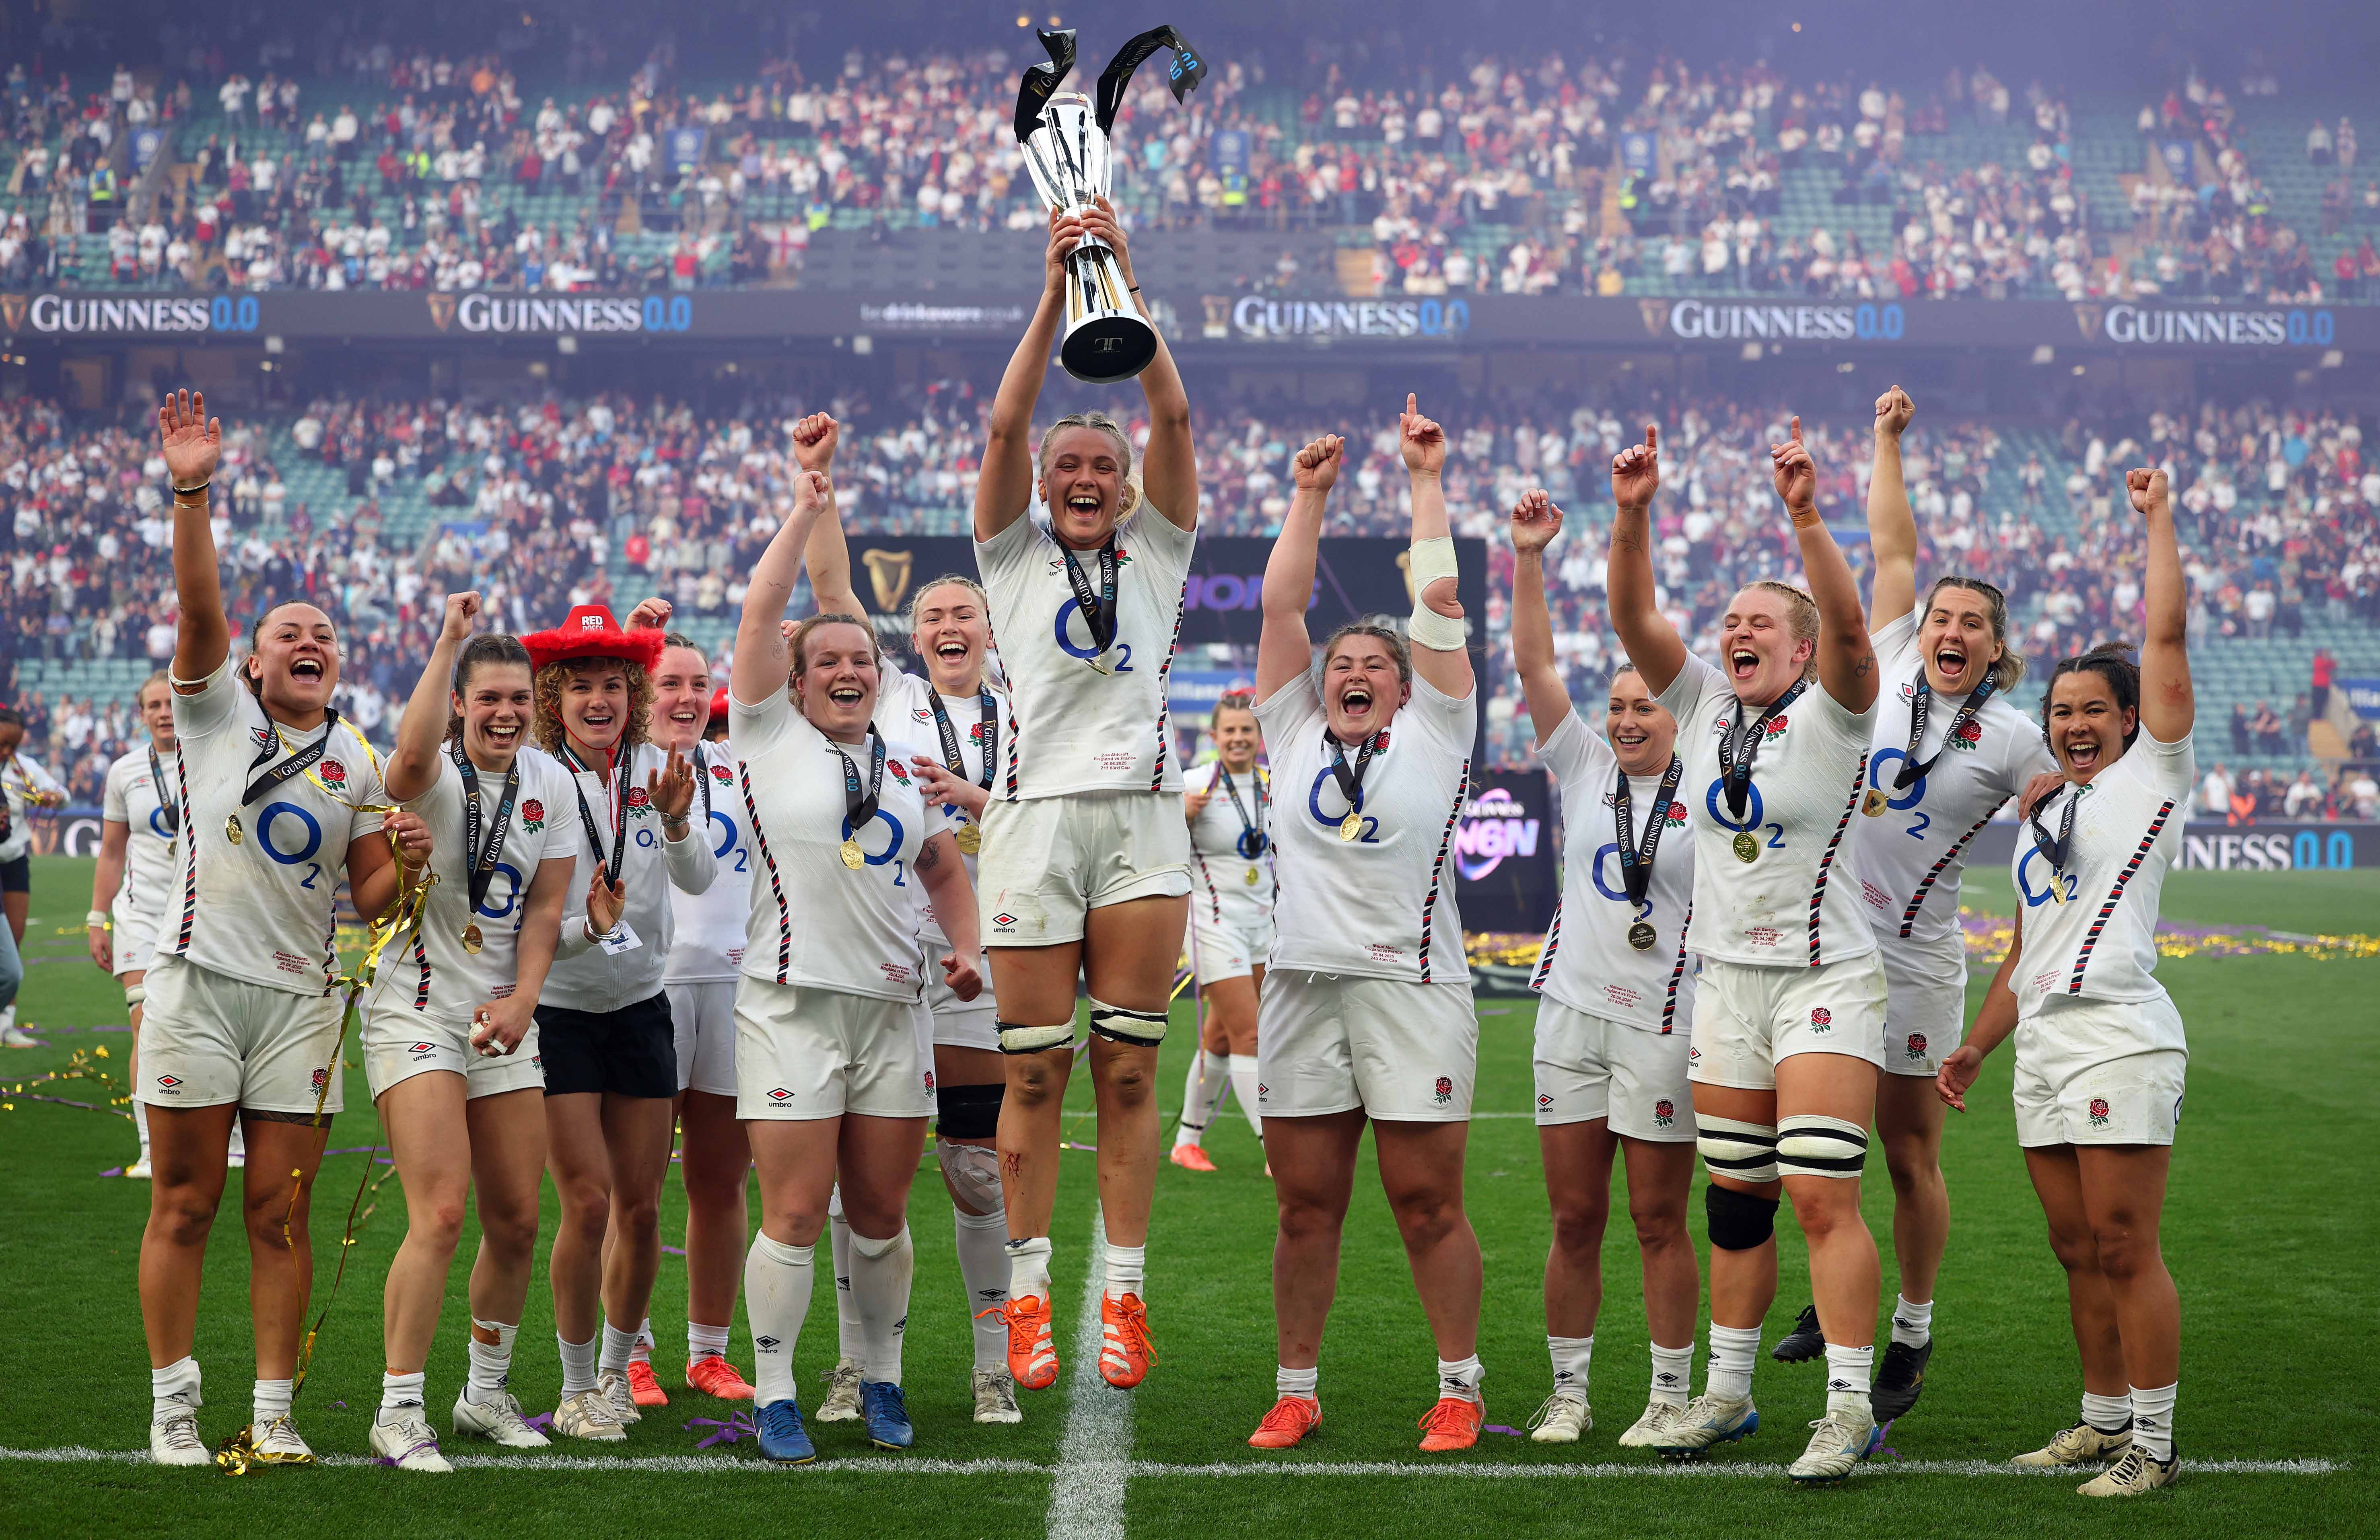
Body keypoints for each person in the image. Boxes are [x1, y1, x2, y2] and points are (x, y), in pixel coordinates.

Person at [137, 390, 433, 1467]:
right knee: (184, 1202)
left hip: (303, 1002)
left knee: (280, 1214)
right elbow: (200, 607)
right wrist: (191, 491)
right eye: (288, 633)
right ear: (254, 663)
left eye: (324, 635)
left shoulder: (355, 756)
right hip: (199, 982)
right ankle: (174, 1406)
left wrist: (403, 868)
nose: (310, 641)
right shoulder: (216, 707)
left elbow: (368, 899)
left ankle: (272, 1412)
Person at [1604, 418, 1890, 1483]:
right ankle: (1724, 1395)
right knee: (1734, 1200)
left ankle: (1847, 1404)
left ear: (1800, 649)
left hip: (1823, 977)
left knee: (1821, 1194)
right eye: (1730, 620)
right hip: (1725, 981)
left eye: (1761, 621)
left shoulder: (1832, 714)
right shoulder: (1703, 705)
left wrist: (1807, 516)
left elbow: (1858, 637)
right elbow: (1632, 612)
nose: (1737, 631)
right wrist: (1632, 511)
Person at [1766, 387, 2055, 1424]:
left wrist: (2062, 791)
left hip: (1920, 963)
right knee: (1806, 1144)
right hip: (1823, 943)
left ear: (1994, 648)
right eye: (1942, 616)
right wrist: (1885, 440)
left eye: (1973, 624)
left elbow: (2078, 786)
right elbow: (1892, 545)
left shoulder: (2019, 736)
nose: (1951, 630)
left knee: (1906, 1154)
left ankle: (1912, 1329)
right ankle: (1828, 1293)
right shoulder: (1881, 657)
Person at [972, 197, 1198, 1394]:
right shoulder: (1006, 554)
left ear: (1125, 487)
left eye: (1102, 467)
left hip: (1142, 820)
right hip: (1031, 821)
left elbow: (1169, 406)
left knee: (1124, 1070)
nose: (1083, 476)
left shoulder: (1158, 551)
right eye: (1069, 464)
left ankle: (1122, 1297)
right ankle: (1025, 1297)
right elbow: (1008, 415)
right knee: (1033, 1072)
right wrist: (1056, 289)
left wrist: (1123, 283)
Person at [1939, 467, 2196, 1499]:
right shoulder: (2041, 813)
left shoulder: (2152, 778)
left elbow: (2168, 639)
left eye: (2095, 709)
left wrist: (2157, 521)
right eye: (2060, 711)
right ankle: (2100, 1421)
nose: (2075, 724)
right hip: (2042, 1042)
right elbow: (2022, 955)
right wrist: (1974, 1042)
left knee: (2128, 1242)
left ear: (2133, 718)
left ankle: (2156, 1442)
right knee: (2075, 1245)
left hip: (2122, 1035)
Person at [727, 470, 984, 1462]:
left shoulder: (904, 771)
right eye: (826, 658)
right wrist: (802, 506)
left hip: (893, 1012)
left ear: (879, 678)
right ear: (794, 682)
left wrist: (965, 951)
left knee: (879, 1214)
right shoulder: (766, 736)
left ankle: (880, 1378)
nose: (848, 669)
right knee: (794, 1213)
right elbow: (761, 612)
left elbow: (945, 870)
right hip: (789, 1009)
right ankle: (778, 1391)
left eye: (862, 660)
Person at [1242, 407, 1484, 1455]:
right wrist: (1310, 496)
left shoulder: (1436, 731)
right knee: (1304, 1207)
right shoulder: (1291, 727)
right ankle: (1296, 1387)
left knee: (1425, 1201)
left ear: (1401, 683)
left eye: (1371, 664)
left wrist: (1423, 478)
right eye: (1337, 660)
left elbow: (1434, 610)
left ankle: (1459, 1386)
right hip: (1300, 988)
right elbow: (1280, 602)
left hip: (1411, 989)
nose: (1349, 670)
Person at [795, 411, 1024, 1426]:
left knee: (978, 1173)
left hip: (984, 957)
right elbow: (833, 595)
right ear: (915, 635)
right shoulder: (883, 700)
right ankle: (857, 1365)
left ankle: (992, 1364)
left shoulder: (1028, 718)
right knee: (859, 1184)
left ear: (988, 631)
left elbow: (1061, 821)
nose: (947, 626)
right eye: (932, 614)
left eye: (963, 613)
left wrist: (981, 804)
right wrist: (822, 486)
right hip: (887, 955)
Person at [364, 594, 584, 1469]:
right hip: (415, 1007)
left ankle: (483, 1392)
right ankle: (399, 1407)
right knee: (443, 1212)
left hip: (503, 1015)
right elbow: (406, 759)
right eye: (487, 698)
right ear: (460, 701)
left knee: (521, 1218)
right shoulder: (438, 771)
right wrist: (447, 640)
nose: (504, 714)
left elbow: (548, 909)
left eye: (518, 701)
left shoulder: (553, 783)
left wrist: (528, 996)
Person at [1505, 489, 1702, 1450]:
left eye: (1645, 706)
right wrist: (1530, 556)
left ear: (1677, 716)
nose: (1627, 720)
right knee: (1574, 1217)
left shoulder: (1710, 788)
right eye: (1618, 706)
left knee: (1658, 1219)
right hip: (1571, 1016)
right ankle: (1572, 1391)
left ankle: (1669, 1395)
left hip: (1667, 1023)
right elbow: (1535, 662)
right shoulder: (1583, 766)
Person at [521, 599, 712, 1439]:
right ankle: (571, 1387)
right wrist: (584, 931)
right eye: (580, 686)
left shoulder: (656, 765)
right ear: (551, 696)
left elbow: (699, 879)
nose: (598, 700)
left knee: (642, 1210)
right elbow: (516, 927)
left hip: (642, 1007)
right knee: (589, 1204)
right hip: (559, 1014)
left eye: (612, 684)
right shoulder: (529, 776)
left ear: (633, 694)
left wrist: (674, 819)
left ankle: (614, 1378)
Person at [641, 618, 759, 1405]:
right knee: (637, 1186)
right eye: (669, 683)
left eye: (696, 682)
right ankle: (630, 1350)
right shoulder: (611, 771)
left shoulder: (741, 766)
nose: (687, 698)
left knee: (721, 1182)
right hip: (646, 989)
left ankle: (708, 1353)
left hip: (734, 987)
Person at [90, 674, 239, 1177]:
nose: (160, 712)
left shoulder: (215, 758)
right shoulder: (124, 771)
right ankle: (151, 1148)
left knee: (215, 1024)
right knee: (147, 1028)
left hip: (204, 913)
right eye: (151, 705)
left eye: (167, 703)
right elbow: (112, 852)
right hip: (143, 915)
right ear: (142, 714)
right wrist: (97, 917)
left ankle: (233, 1142)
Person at [1169, 690, 1274, 1173]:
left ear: (1259, 736)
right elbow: (1150, 838)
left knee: (1221, 1037)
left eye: (1246, 730)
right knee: (1250, 1032)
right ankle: (1277, 1148)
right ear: (1214, 737)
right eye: (1229, 731)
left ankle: (1187, 1141)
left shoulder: (1274, 785)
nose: (1238, 738)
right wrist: (1178, 817)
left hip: (1263, 925)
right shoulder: (1191, 784)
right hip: (1212, 925)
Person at [0, 704, 65, 1047]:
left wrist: (54, 797)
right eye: (3, 744)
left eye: (15, 744)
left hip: (13, 863)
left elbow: (63, 795)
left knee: (13, 941)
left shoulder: (24, 769)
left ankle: (6, 1026)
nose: (9, 752)